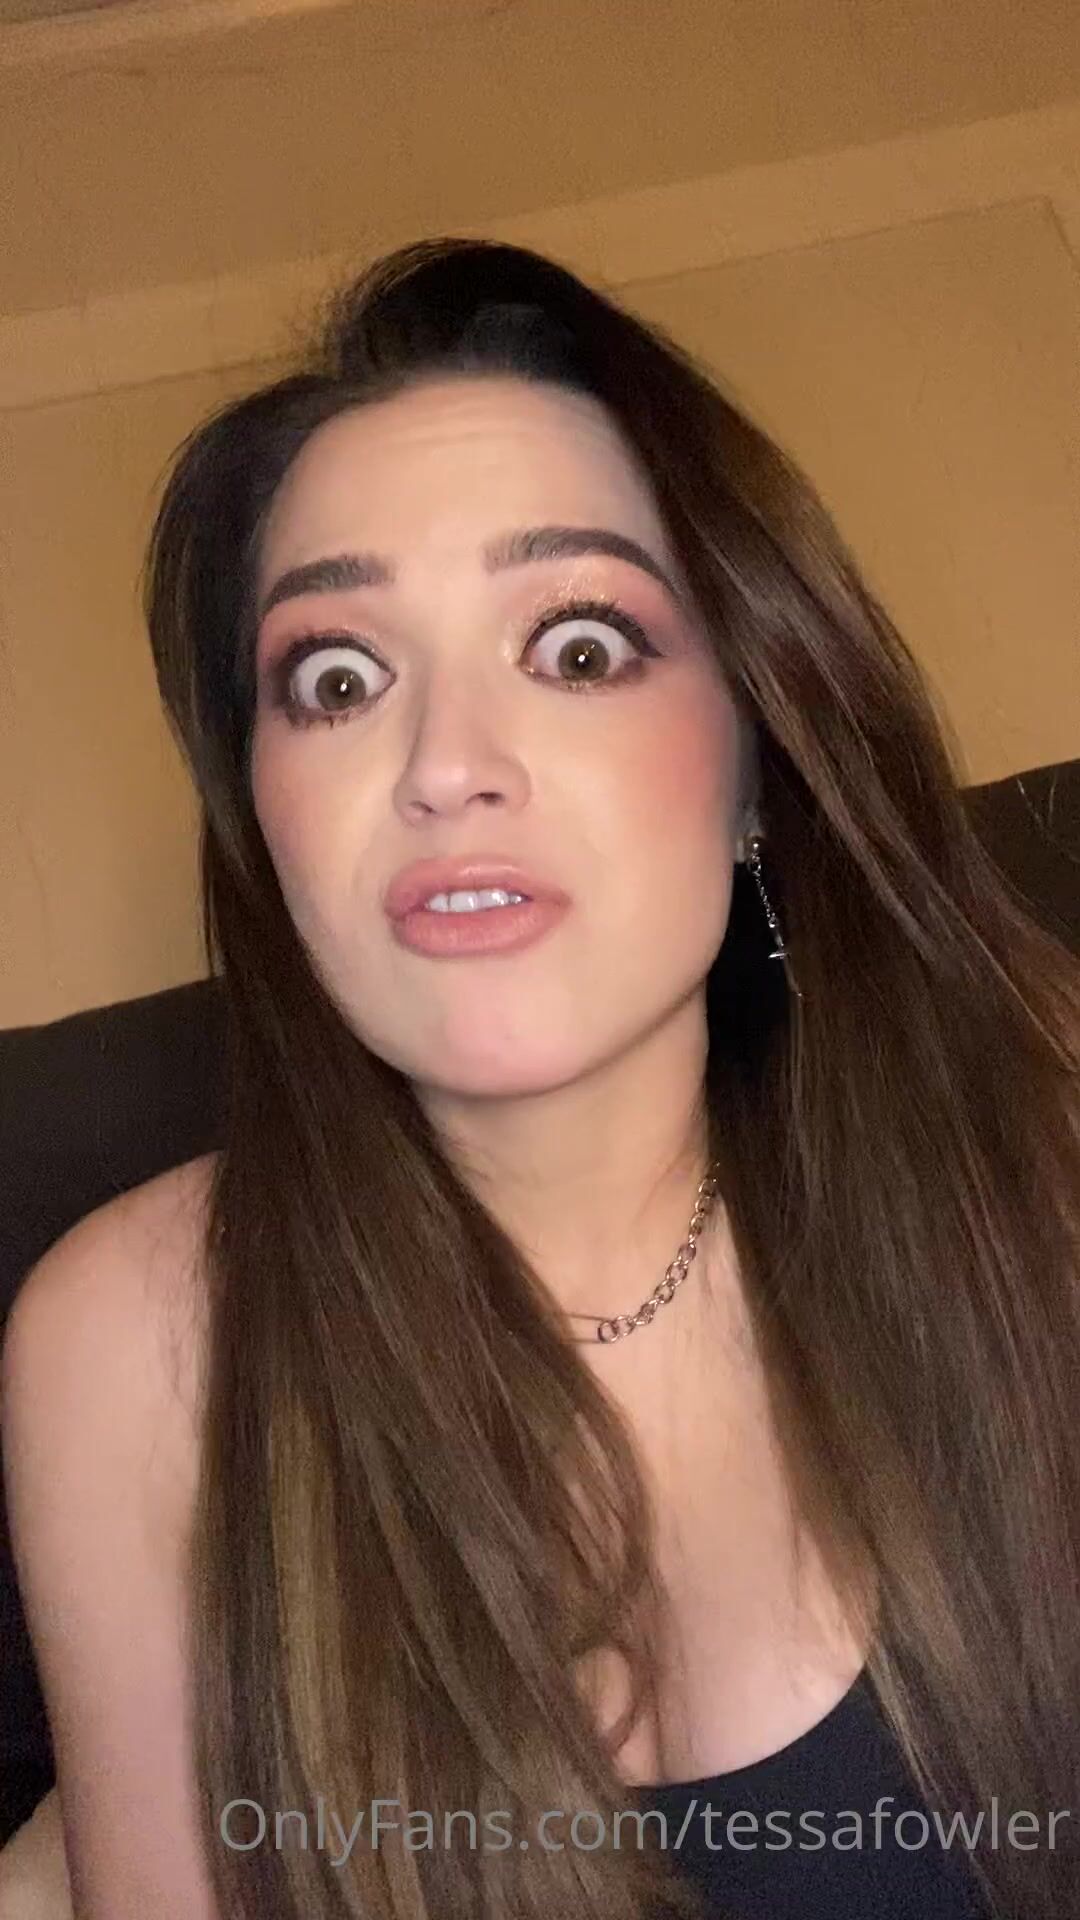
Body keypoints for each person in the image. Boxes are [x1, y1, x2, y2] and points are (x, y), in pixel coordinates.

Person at [3, 235, 1079, 1920]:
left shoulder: (1036, 1161)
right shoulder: (144, 1344)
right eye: (337, 680)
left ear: (758, 756)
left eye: (578, 649)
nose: (443, 766)